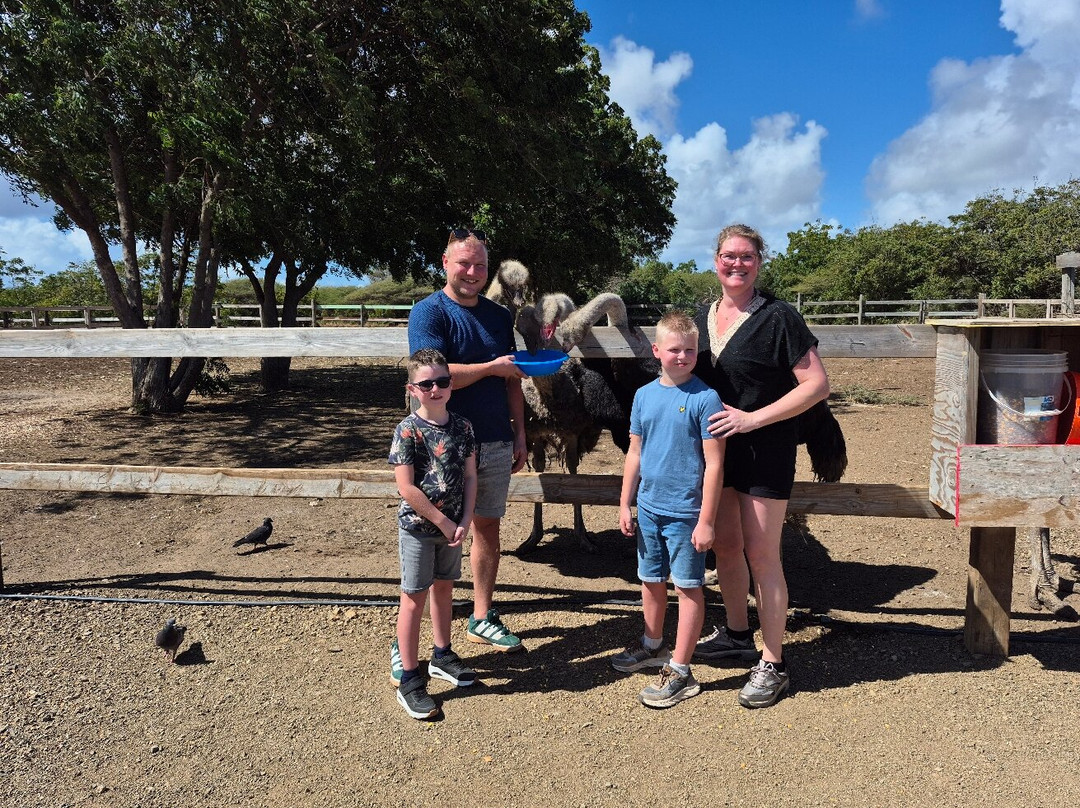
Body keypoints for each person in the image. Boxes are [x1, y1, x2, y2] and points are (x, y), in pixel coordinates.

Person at [692, 223, 831, 709]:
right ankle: (735, 633)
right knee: (726, 549)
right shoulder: (703, 316)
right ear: (716, 261)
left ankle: (774, 661)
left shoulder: (778, 318)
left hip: (765, 449)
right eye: (729, 255)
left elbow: (815, 385)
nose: (737, 264)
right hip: (716, 454)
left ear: (759, 263)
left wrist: (754, 419)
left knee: (763, 556)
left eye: (747, 257)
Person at [407, 228, 528, 654]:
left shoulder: (498, 316)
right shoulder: (429, 313)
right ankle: (414, 640)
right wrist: (490, 367)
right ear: (445, 263)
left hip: (493, 439)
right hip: (442, 443)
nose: (473, 272)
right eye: (464, 264)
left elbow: (511, 376)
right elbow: (432, 376)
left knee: (487, 529)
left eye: (480, 265)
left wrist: (519, 431)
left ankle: (480, 615)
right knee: (435, 534)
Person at [610, 310, 725, 708]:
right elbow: (635, 453)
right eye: (674, 349)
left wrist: (706, 519)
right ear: (656, 350)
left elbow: (714, 463)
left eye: (690, 350)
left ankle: (680, 667)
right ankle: (652, 643)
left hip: (686, 512)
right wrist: (626, 502)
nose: (682, 356)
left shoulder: (705, 398)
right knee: (650, 578)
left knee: (688, 586)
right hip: (650, 508)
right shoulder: (644, 396)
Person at [388, 349, 478, 720]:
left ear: (450, 384)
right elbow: (406, 487)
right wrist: (443, 521)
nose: (436, 388)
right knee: (413, 598)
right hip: (420, 528)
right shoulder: (407, 430)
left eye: (442, 381)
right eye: (427, 384)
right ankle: (410, 677)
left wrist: (466, 520)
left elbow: (471, 476)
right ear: (413, 389)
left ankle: (442, 653)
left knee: (445, 587)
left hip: (454, 527)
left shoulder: (463, 427)